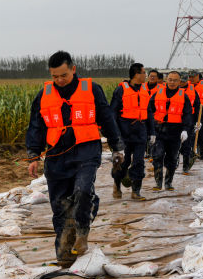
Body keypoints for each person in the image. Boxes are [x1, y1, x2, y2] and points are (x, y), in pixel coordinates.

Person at [25, 51, 124, 266]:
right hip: (56, 155)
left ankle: (82, 230)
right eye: (55, 76)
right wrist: (33, 155)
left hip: (86, 150)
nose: (59, 80)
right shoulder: (44, 94)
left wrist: (117, 147)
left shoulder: (92, 90)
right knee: (60, 206)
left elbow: (107, 119)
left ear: (73, 69)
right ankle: (65, 255)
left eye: (63, 75)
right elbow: (36, 126)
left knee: (83, 190)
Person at [146, 71, 194, 191]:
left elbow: (188, 114)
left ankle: (168, 182)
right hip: (159, 130)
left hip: (175, 131)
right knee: (157, 155)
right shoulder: (158, 93)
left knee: (172, 158)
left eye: (175, 80)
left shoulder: (184, 96)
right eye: (170, 79)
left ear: (179, 82)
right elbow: (149, 110)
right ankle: (158, 183)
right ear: (167, 80)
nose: (172, 82)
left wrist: (186, 130)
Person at [109, 62, 149, 201]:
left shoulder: (145, 90)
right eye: (144, 73)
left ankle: (136, 191)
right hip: (124, 132)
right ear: (137, 74)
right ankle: (117, 184)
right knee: (122, 162)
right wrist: (115, 134)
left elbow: (148, 112)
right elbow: (112, 113)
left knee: (139, 162)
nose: (146, 75)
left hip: (140, 131)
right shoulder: (121, 90)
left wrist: (153, 132)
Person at [178, 73, 199, 174]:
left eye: (183, 81)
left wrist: (199, 122)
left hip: (188, 120)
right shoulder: (171, 90)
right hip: (174, 121)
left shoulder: (192, 90)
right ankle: (175, 162)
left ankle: (186, 166)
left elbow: (198, 106)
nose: (181, 83)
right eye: (180, 81)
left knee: (186, 144)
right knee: (175, 145)